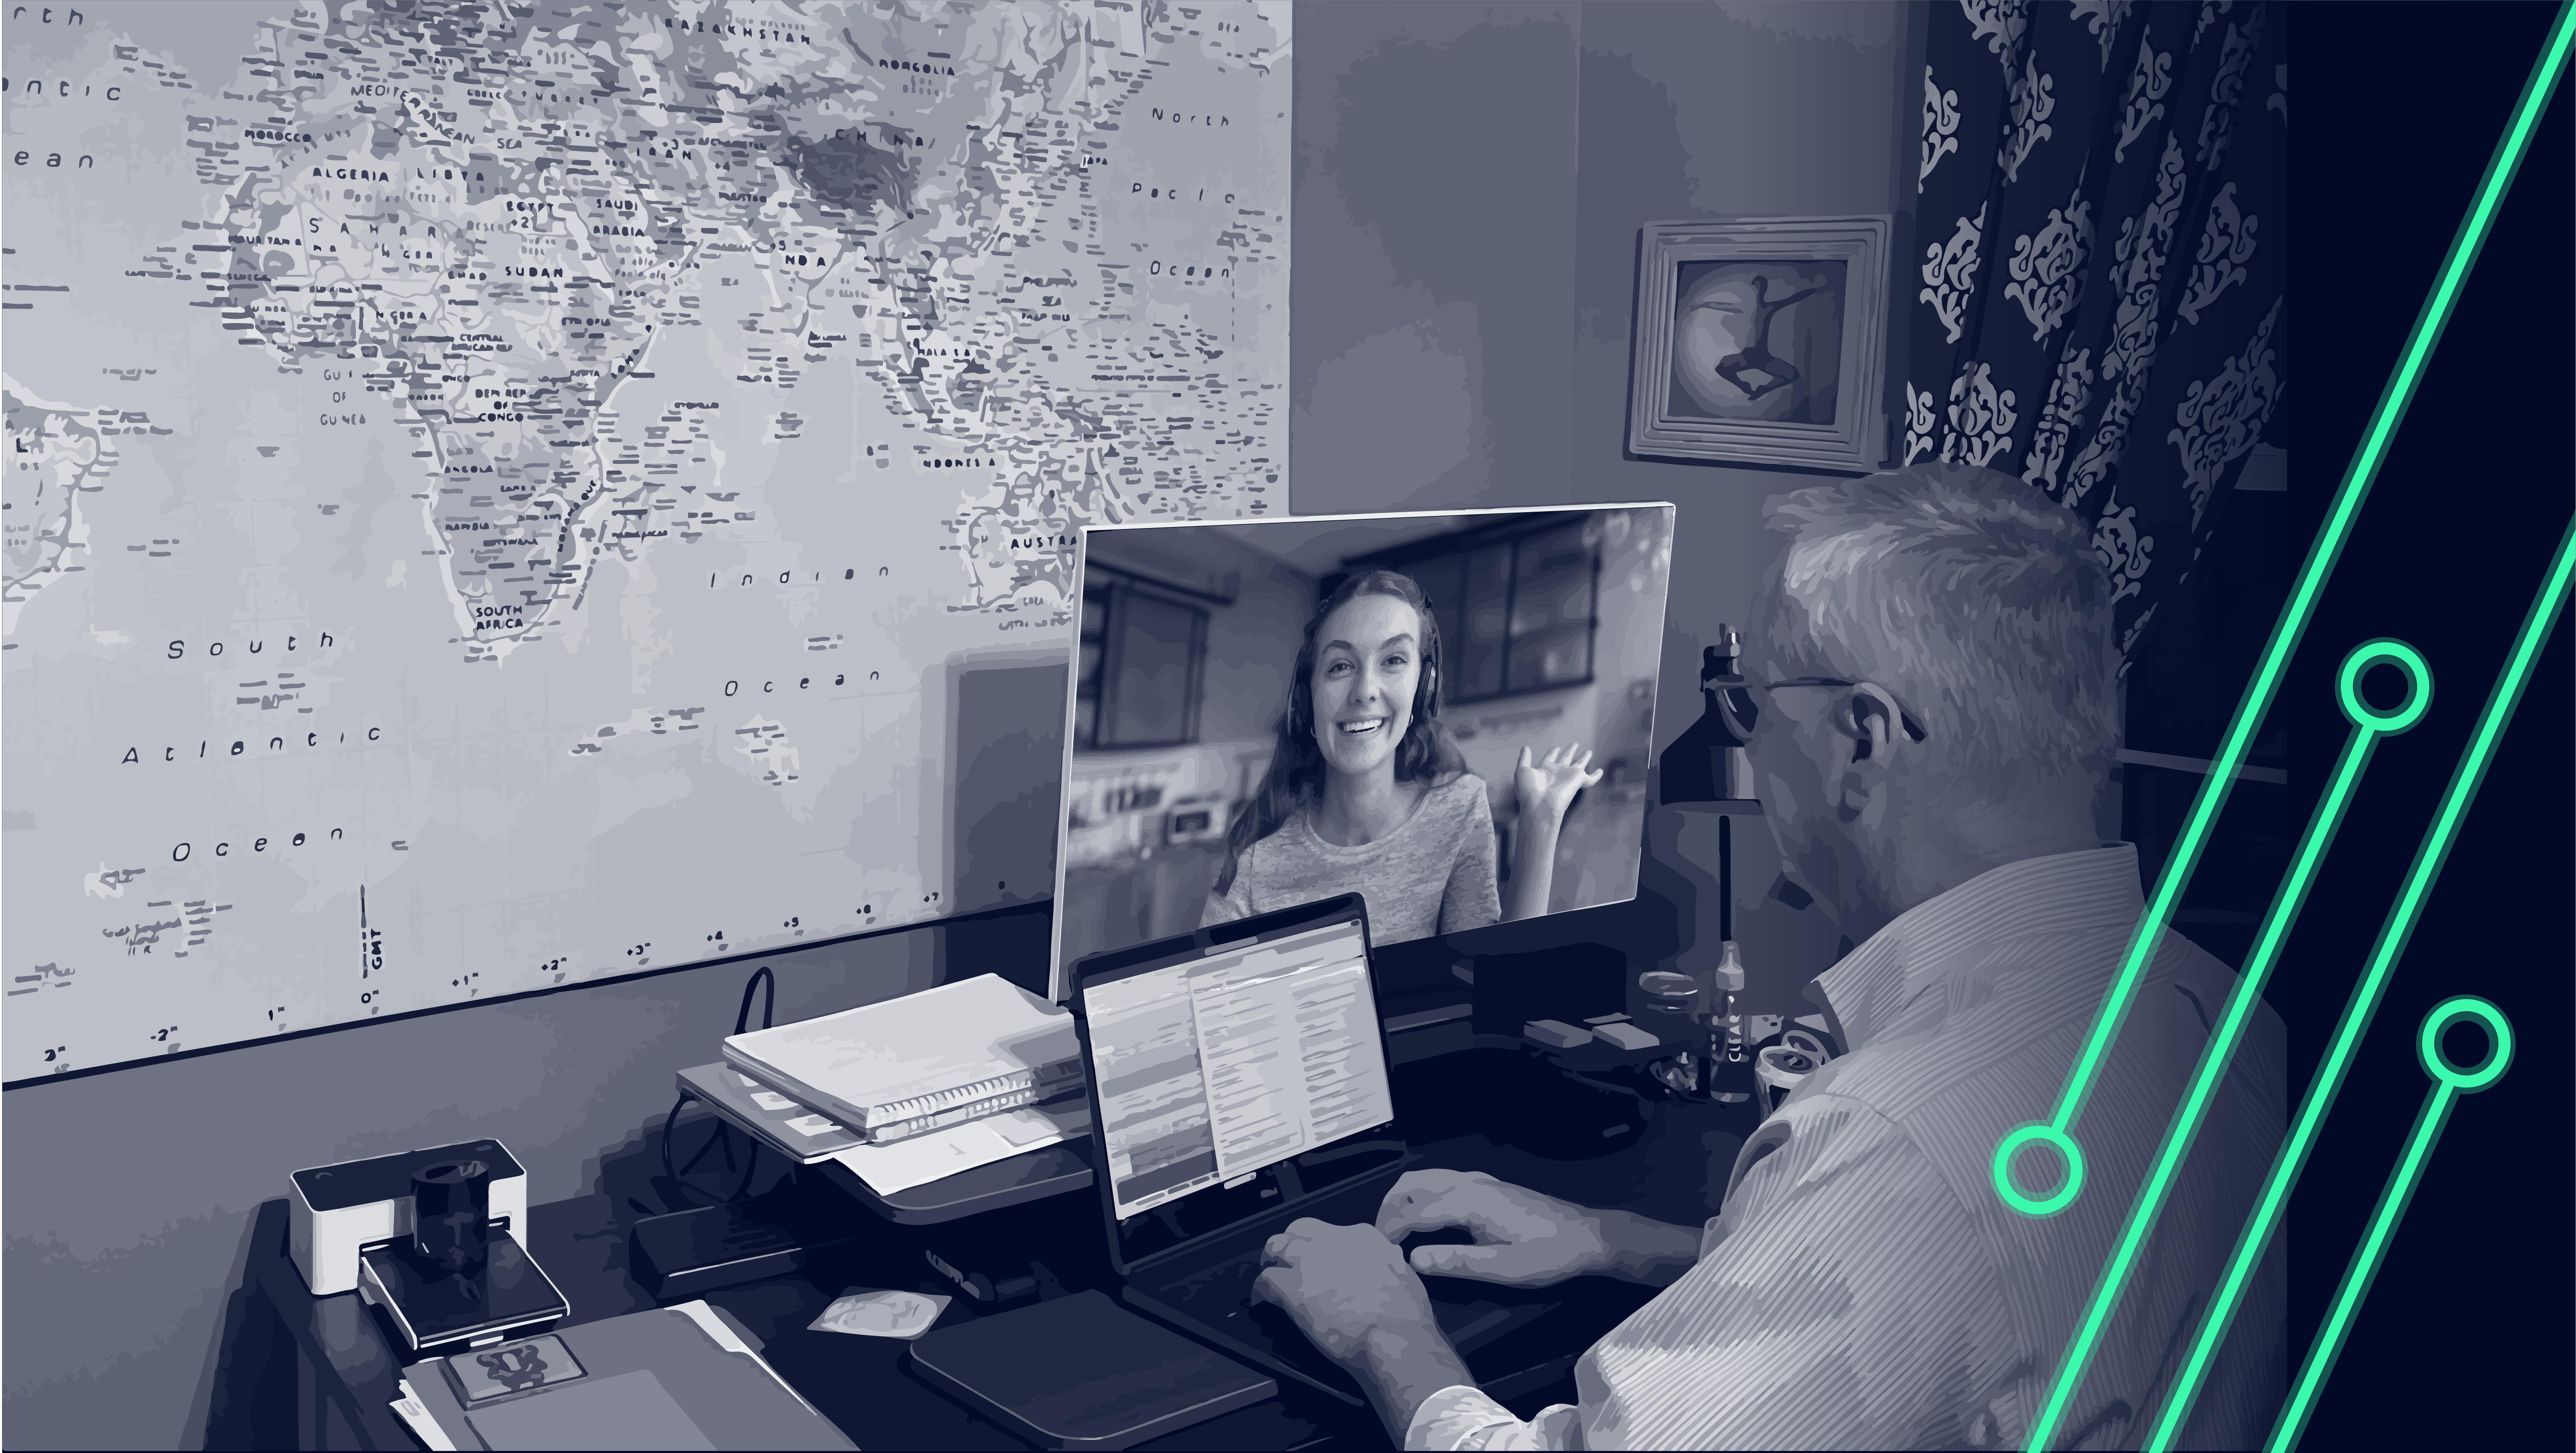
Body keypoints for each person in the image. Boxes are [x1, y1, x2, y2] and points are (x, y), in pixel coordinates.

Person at [1250, 463, 2288, 1449]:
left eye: (1757, 705)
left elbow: (1908, 1235)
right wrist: (1614, 1238)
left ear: (1861, 743)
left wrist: (1384, 1326)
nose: (1742, 739)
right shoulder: (2222, 1015)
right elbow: (1944, 1312)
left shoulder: (1897, 1145)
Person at [1203, 568, 1602, 945]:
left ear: (1423, 688)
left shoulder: (1458, 810)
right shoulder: (1260, 857)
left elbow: (1498, 985)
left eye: (1393, 660)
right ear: (1309, 700)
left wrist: (1542, 820)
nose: (1365, 690)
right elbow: (1208, 999)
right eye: (1340, 666)